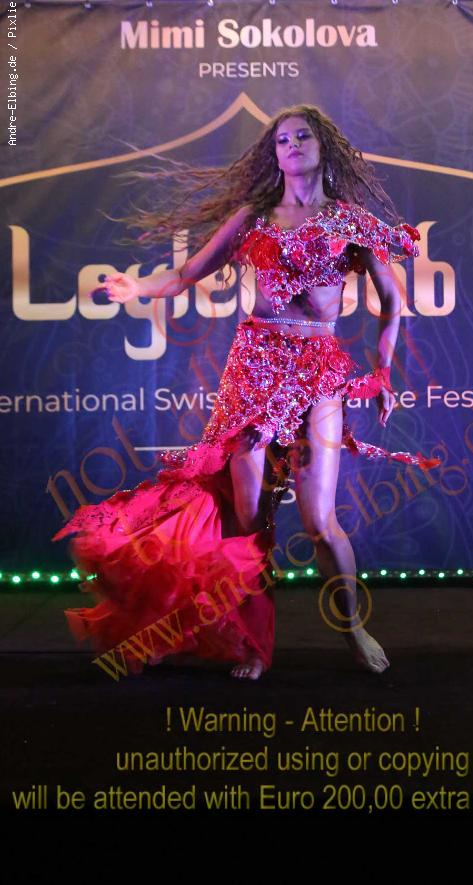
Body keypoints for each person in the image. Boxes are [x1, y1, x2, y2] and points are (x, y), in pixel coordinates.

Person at [52, 104, 440, 681]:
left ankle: (354, 628)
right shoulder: (253, 218)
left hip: (317, 368)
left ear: (323, 147)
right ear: (274, 154)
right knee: (249, 520)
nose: (292, 145)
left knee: (319, 521)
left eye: (303, 136)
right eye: (282, 139)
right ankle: (254, 646)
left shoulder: (351, 222)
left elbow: (392, 303)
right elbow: (186, 276)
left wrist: (382, 372)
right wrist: (137, 287)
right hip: (254, 367)